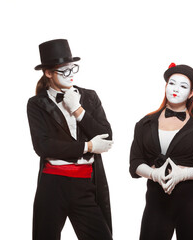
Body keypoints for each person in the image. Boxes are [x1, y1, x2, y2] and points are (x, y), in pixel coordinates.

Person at [27, 39, 113, 240]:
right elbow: (43, 146)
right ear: (48, 73)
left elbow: (107, 137)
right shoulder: (37, 104)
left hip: (86, 182)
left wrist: (78, 109)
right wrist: (88, 146)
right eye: (63, 70)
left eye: (72, 68)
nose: (70, 74)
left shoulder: (89, 97)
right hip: (53, 185)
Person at [129, 63, 193, 240]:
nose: (176, 89)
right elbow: (135, 161)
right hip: (156, 202)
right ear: (165, 86)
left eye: (183, 86)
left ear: (192, 93)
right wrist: (153, 173)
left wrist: (183, 174)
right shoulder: (145, 123)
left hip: (192, 203)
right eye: (172, 83)